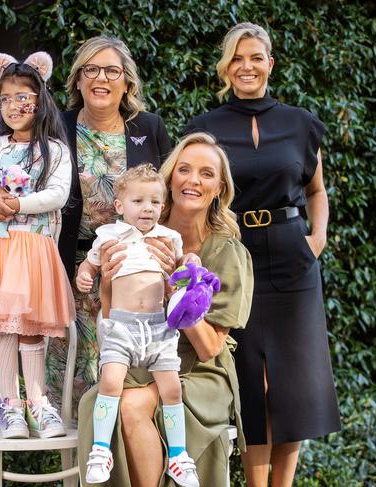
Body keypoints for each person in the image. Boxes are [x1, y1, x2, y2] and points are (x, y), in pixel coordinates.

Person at [184, 22, 341, 487]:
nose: (246, 66)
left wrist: (318, 239)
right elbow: (196, 191)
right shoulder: (205, 128)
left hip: (293, 256)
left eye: (255, 57)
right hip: (236, 255)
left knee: (290, 386)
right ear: (226, 67)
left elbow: (317, 190)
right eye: (237, 58)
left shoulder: (301, 123)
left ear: (270, 64)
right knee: (253, 379)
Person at [78, 132, 254, 486]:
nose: (193, 180)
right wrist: (107, 285)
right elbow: (111, 318)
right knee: (93, 403)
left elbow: (210, 347)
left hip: (197, 367)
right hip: (136, 352)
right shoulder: (129, 236)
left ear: (219, 188)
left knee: (131, 406)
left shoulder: (227, 252)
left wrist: (177, 293)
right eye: (184, 170)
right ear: (170, 179)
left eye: (206, 174)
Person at [0, 51, 75, 440]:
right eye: (5, 98)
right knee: (3, 324)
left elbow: (57, 194)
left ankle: (38, 402)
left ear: (40, 99)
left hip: (34, 250)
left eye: (23, 96)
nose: (14, 106)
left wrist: (18, 204)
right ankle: (10, 404)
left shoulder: (54, 149)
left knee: (30, 326)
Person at [48, 35, 173, 408]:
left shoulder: (148, 128)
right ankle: (77, 465)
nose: (101, 78)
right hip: (71, 269)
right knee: (69, 379)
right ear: (78, 80)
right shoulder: (56, 125)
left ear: (127, 82)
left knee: (130, 378)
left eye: (111, 70)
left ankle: (121, 461)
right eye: (91, 69)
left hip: (135, 272)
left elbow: (166, 200)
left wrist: (169, 254)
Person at [76, 164, 199, 486]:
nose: (148, 208)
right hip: (122, 327)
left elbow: (181, 268)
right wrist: (85, 275)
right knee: (111, 383)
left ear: (163, 206)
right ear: (119, 206)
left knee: (172, 389)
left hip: (159, 328)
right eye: (138, 201)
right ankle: (100, 450)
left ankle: (178, 456)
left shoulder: (169, 237)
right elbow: (90, 266)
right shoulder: (109, 235)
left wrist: (190, 263)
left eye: (155, 202)